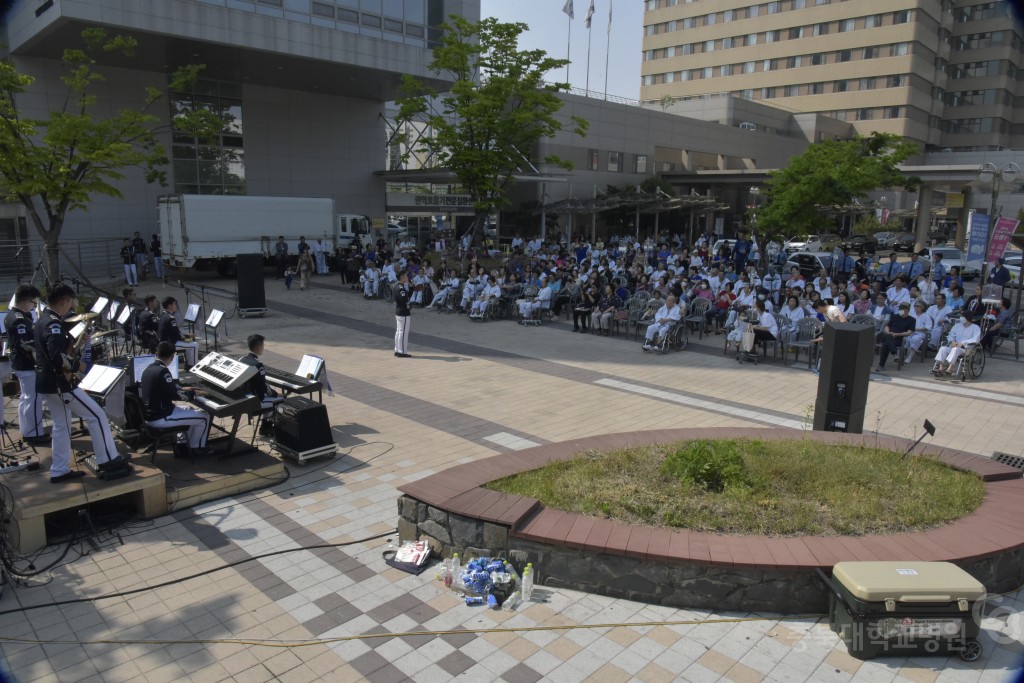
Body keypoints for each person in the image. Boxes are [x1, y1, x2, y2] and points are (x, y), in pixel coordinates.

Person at [34, 284, 126, 482]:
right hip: (60, 383)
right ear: (64, 301)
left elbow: (54, 349)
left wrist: (74, 341)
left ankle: (59, 470)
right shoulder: (53, 324)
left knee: (61, 425)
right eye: (70, 303)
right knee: (97, 415)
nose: (71, 307)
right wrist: (80, 368)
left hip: (47, 383)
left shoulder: (43, 320)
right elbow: (58, 356)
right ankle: (107, 459)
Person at [141, 342, 210, 455]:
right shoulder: (163, 371)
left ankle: (182, 445)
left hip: (152, 414)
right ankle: (196, 448)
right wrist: (194, 393)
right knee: (204, 417)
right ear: (172, 357)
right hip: (161, 417)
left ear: (157, 354)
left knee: (189, 410)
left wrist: (182, 388)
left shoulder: (149, 369)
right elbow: (174, 395)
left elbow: (165, 388)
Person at [5, 285, 46, 444]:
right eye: (33, 303)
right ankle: (33, 434)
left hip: (22, 363)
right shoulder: (19, 319)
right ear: (24, 301)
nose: (34, 306)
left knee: (26, 398)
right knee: (33, 398)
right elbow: (25, 343)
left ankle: (27, 429)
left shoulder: (14, 315)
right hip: (26, 363)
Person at [158, 297, 199, 367]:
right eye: (174, 304)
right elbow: (177, 334)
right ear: (169, 305)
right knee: (194, 345)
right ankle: (193, 366)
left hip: (164, 341)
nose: (175, 306)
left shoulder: (163, 315)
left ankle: (189, 364)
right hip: (170, 343)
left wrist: (186, 337)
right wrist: (187, 337)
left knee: (190, 344)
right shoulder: (170, 318)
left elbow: (174, 332)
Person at [876, 302, 915, 372]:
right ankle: (895, 353)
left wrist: (897, 334)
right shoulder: (895, 317)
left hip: (899, 338)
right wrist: (888, 332)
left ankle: (881, 365)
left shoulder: (912, 320)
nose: (900, 310)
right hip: (889, 335)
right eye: (900, 308)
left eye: (902, 309)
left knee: (885, 345)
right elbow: (887, 326)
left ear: (907, 310)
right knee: (887, 335)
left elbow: (909, 332)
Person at [393, 270, 412, 357]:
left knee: (399, 331)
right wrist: (408, 306)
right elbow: (404, 300)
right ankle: (402, 352)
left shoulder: (396, 286)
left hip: (398, 311)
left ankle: (397, 349)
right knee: (403, 333)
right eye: (405, 276)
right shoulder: (401, 288)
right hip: (403, 312)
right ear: (402, 277)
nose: (407, 277)